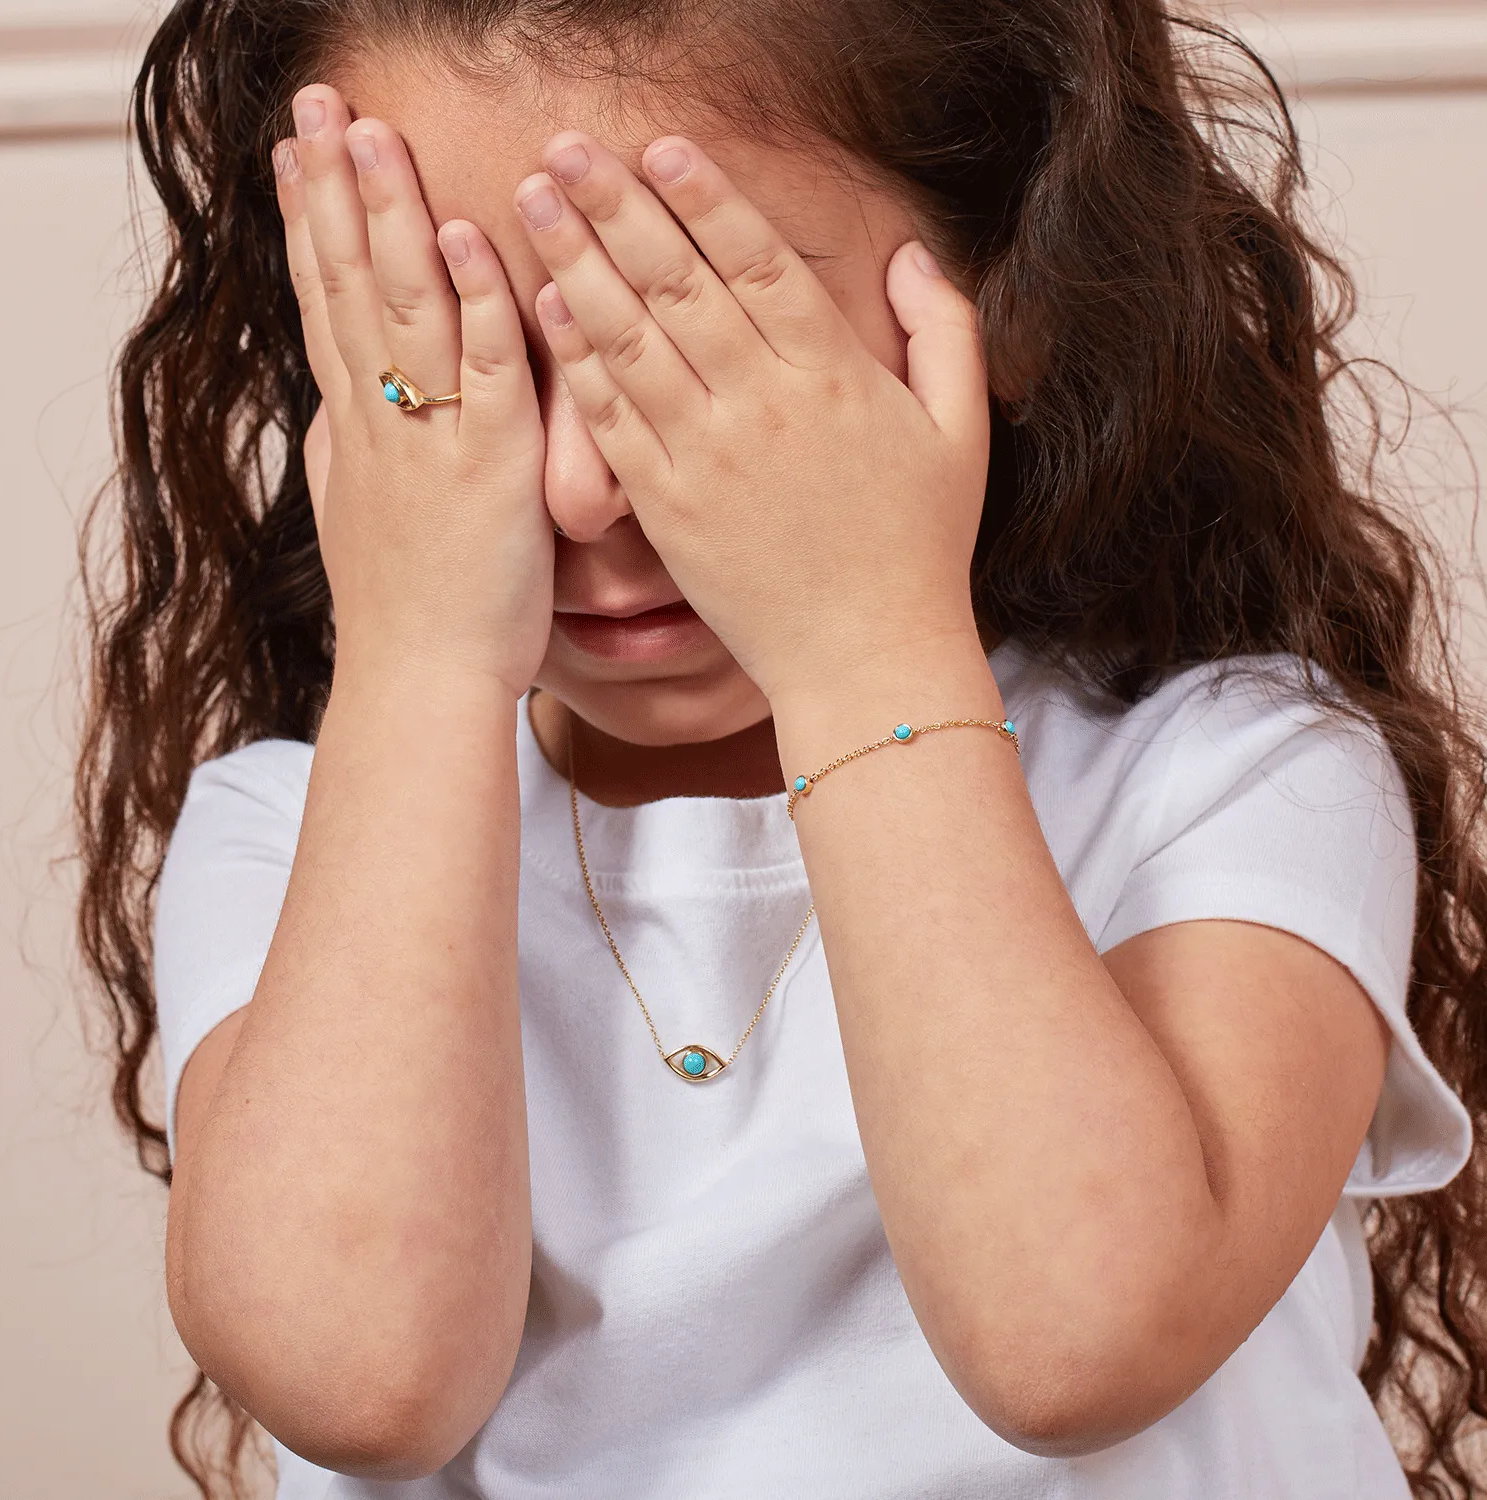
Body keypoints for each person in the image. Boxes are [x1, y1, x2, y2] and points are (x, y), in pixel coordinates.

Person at [76, 0, 1487, 1496]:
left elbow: (1076, 1341)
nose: (575, 491)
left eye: (695, 336)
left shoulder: (1229, 780)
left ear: (1010, 290)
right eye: (448, 358)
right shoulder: (296, 837)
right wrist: (419, 663)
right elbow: (356, 1382)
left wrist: (861, 639)